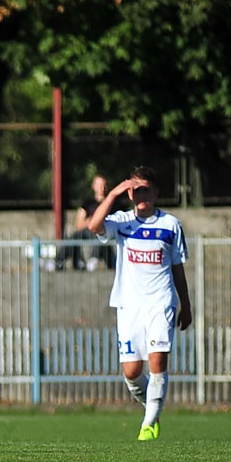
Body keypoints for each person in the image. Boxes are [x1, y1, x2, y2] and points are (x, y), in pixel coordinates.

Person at [87, 166, 192, 441]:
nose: (141, 194)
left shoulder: (170, 225)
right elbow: (93, 225)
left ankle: (149, 424)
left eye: (146, 189)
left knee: (157, 363)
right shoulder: (122, 221)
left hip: (160, 304)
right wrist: (114, 193)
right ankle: (152, 408)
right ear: (130, 193)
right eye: (136, 189)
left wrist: (186, 305)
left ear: (156, 192)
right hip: (129, 306)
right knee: (132, 372)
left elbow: (178, 268)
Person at [53, 174, 116, 271]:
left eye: (104, 185)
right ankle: (58, 261)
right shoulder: (87, 203)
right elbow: (79, 225)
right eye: (99, 185)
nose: (102, 188)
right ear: (93, 186)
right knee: (74, 236)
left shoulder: (113, 204)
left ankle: (94, 259)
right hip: (90, 229)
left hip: (105, 231)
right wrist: (92, 220)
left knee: (101, 235)